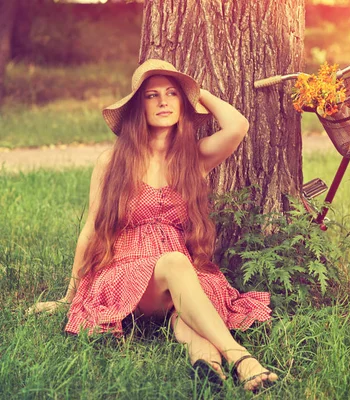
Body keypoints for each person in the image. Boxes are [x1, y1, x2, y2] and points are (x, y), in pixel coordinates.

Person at [27, 59, 278, 392]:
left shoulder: (193, 159)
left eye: (172, 94)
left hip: (182, 281)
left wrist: (196, 92)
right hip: (128, 275)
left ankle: (209, 369)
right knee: (175, 263)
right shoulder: (112, 162)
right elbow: (91, 228)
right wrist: (68, 296)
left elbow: (237, 126)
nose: (163, 101)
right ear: (136, 107)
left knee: (187, 316)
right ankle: (243, 359)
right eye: (152, 95)